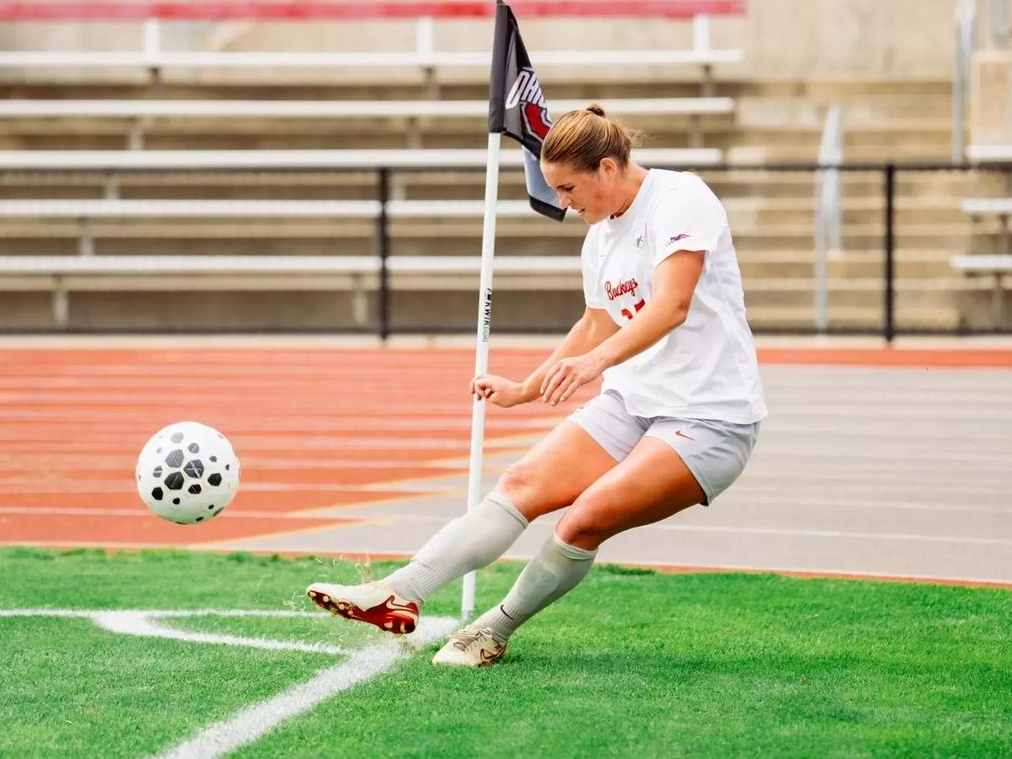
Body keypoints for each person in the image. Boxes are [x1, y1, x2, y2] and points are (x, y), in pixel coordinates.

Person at [307, 104, 766, 667]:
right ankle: (401, 591)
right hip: (634, 401)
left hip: (710, 418)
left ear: (606, 168)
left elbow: (671, 306)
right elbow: (596, 321)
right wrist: (526, 388)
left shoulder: (681, 199)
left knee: (585, 517)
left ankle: (491, 631)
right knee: (521, 482)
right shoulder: (599, 236)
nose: (563, 204)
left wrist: (595, 363)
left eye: (568, 189)